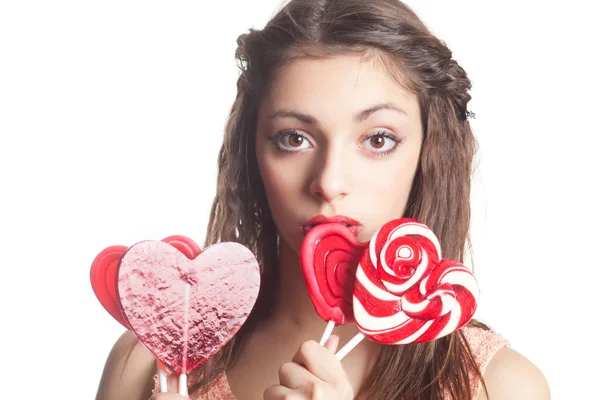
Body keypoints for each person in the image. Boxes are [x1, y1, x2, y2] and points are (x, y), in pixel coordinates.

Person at [96, 0, 550, 399]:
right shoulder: (149, 361)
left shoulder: (499, 388)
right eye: (293, 138)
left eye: (377, 139)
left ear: (428, 153)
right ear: (251, 153)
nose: (329, 182)